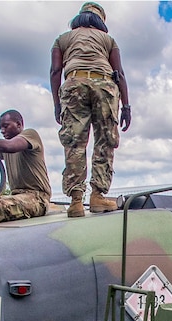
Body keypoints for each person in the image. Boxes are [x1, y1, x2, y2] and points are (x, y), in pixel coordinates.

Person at [50, 1, 132, 218]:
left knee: (74, 143)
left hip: (73, 82)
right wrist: (126, 106)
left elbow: (55, 70)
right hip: (104, 85)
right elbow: (120, 74)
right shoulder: (109, 40)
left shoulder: (62, 39)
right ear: (100, 20)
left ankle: (76, 202)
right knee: (105, 140)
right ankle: (97, 196)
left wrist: (57, 104)